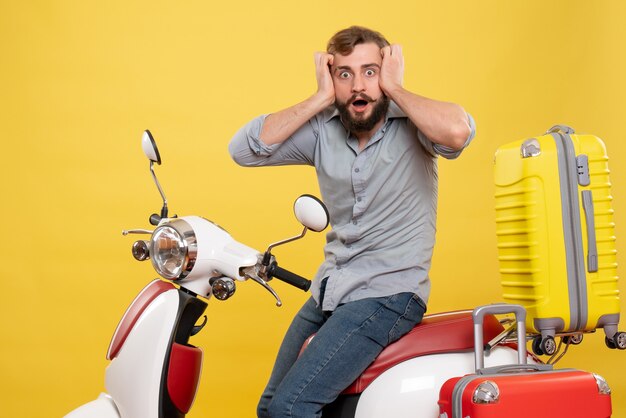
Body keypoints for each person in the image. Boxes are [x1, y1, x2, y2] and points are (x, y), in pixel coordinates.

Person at [229, 26, 476, 418]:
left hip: (388, 295)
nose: (358, 85)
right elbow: (244, 149)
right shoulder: (322, 131)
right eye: (345, 74)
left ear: (387, 72)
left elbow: (458, 133)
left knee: (291, 410)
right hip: (330, 291)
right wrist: (320, 98)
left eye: (370, 71)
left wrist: (395, 89)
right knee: (270, 408)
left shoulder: (415, 124)